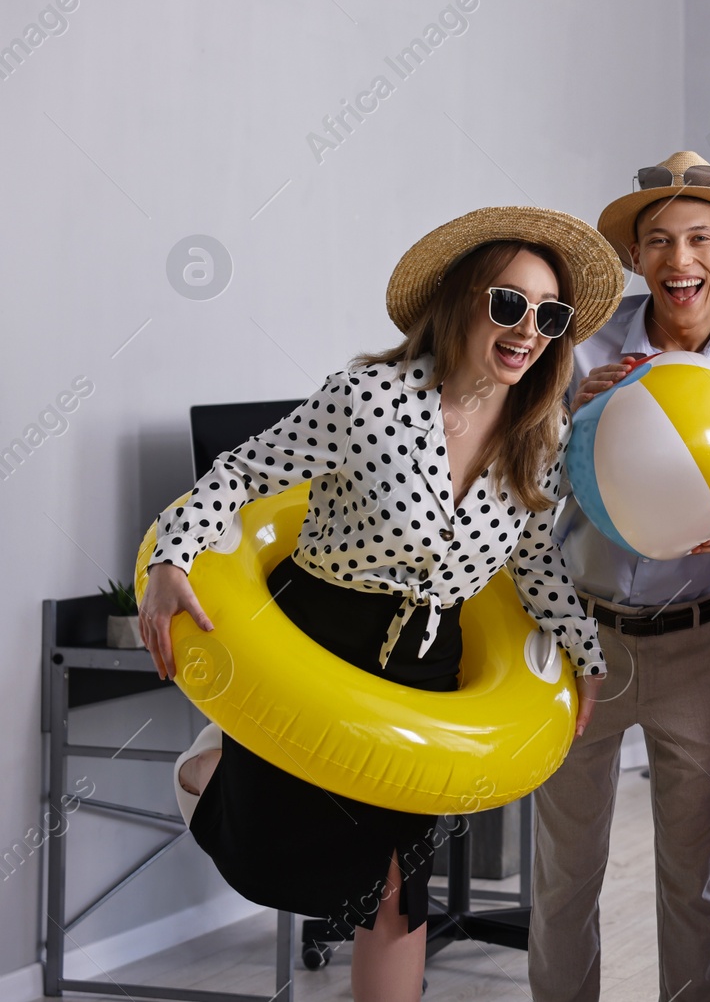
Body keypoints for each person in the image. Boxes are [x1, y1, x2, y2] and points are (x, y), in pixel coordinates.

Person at [137, 206, 622, 1002]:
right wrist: (170, 556)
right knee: (271, 850)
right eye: (509, 303)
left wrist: (587, 654)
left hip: (427, 663)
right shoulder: (368, 400)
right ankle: (210, 768)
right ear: (465, 300)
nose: (528, 329)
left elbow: (533, 561)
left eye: (550, 315)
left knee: (395, 884)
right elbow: (241, 473)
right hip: (322, 632)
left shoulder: (542, 433)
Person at [528, 151, 710, 1002]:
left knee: (692, 876)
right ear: (636, 256)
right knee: (564, 875)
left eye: (698, 239)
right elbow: (519, 493)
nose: (678, 260)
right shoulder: (576, 349)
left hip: (700, 640)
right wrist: (570, 419)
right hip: (580, 639)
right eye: (658, 240)